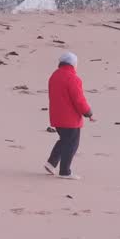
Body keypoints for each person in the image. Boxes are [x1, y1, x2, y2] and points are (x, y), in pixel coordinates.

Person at [45, 51, 93, 180]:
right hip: (70, 118)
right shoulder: (73, 78)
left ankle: (51, 163)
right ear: (73, 64)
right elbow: (79, 99)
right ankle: (65, 171)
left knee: (64, 141)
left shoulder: (54, 76)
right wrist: (88, 112)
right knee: (71, 143)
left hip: (57, 116)